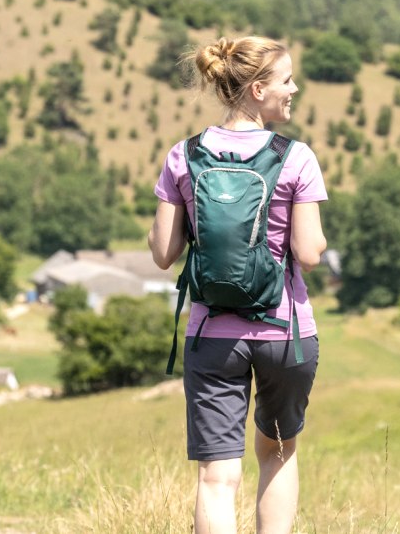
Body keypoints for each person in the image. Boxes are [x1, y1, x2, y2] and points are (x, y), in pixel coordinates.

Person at [148, 36, 328, 534]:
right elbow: (310, 255)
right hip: (284, 335)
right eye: (286, 80)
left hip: (212, 337)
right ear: (256, 89)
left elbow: (164, 253)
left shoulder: (183, 156)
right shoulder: (295, 157)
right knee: (278, 453)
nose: (294, 89)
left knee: (216, 476)